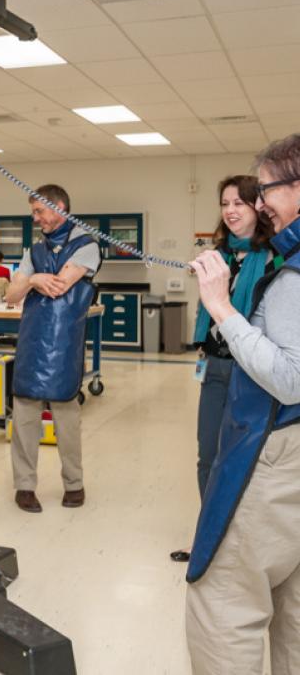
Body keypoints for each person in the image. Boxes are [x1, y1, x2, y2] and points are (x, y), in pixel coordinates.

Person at [185, 134, 300, 674]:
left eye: (264, 191)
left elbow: (289, 378)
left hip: (278, 443)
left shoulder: (288, 271)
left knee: (224, 600)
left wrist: (219, 306)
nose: (255, 205)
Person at [170, 175, 276, 563]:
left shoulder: (274, 258)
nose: (230, 211)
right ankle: (208, 534)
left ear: (258, 208)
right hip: (216, 365)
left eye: (240, 203)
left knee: (248, 457)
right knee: (208, 454)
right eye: (225, 203)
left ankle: (243, 541)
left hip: (255, 373)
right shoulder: (217, 257)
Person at [4, 184, 101, 513]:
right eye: (33, 212)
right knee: (25, 419)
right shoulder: (34, 251)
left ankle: (74, 484)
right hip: (32, 341)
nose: (36, 218)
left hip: (64, 343)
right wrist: (30, 281)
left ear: (59, 207)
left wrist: (33, 279)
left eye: (40, 211)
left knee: (66, 421)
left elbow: (60, 285)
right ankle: (24, 486)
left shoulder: (87, 247)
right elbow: (10, 295)